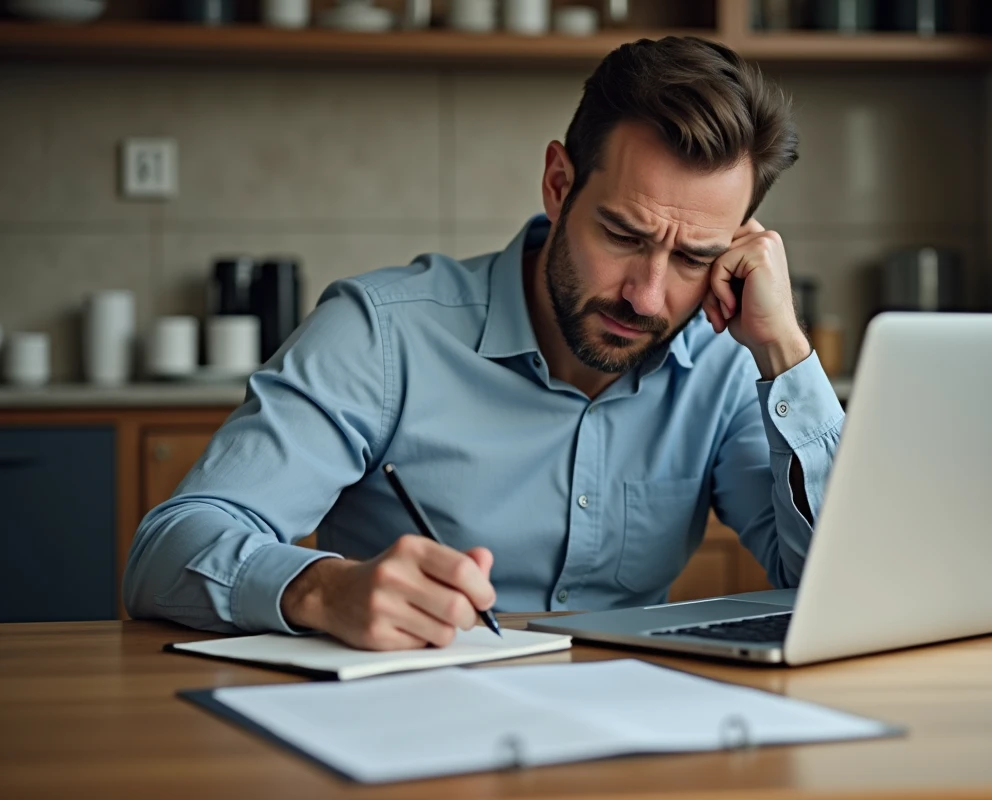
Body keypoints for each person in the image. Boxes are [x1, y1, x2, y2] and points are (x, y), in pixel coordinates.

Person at [123, 36, 844, 651]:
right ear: (559, 185)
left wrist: (785, 352)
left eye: (694, 257)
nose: (648, 296)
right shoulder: (381, 333)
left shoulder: (727, 363)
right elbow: (166, 551)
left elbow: (839, 586)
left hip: (631, 732)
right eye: (623, 236)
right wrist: (323, 591)